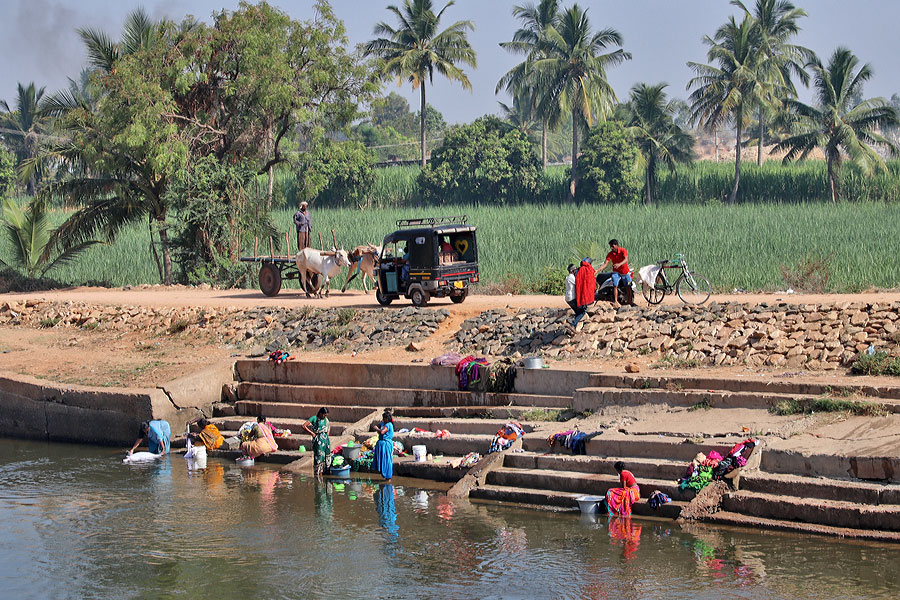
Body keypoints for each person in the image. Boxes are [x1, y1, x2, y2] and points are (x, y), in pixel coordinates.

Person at [597, 239, 631, 307]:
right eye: (611, 246)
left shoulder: (623, 250)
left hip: (625, 272)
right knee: (615, 285)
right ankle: (615, 301)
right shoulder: (610, 254)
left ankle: (630, 301)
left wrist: (619, 264)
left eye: (613, 246)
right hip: (616, 272)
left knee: (628, 285)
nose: (612, 248)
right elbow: (605, 263)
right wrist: (598, 270)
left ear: (617, 245)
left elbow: (626, 259)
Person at [568, 258, 596, 332]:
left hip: (568, 298)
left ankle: (573, 327)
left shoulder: (569, 277)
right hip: (573, 297)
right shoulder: (587, 270)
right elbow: (581, 284)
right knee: (582, 312)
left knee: (578, 313)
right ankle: (573, 325)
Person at [303, 407, 331, 477]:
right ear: (321, 413)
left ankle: (325, 473)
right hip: (318, 440)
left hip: (325, 440)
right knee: (319, 456)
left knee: (326, 456)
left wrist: (327, 434)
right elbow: (304, 426)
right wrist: (312, 433)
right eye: (324, 415)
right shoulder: (314, 418)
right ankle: (318, 474)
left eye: (326, 415)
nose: (325, 417)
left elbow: (328, 426)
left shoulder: (326, 419)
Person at [371, 410, 394, 481]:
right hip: (381, 444)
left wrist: (377, 429)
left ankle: (388, 477)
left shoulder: (388, 425)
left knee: (386, 460)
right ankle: (384, 476)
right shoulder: (383, 423)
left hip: (386, 445)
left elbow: (382, 432)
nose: (383, 420)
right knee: (381, 460)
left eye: (384, 418)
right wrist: (377, 426)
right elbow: (378, 425)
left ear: (387, 419)